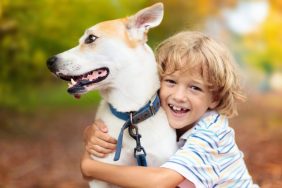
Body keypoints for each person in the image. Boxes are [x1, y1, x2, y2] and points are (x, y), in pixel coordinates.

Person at [80, 31, 258, 187]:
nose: (179, 96)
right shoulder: (161, 119)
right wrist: (91, 135)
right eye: (171, 82)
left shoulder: (212, 133)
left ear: (215, 98)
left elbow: (160, 181)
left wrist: (90, 166)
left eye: (195, 88)